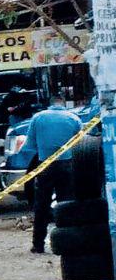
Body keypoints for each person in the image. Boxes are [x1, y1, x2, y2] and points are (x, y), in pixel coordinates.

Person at [24, 96, 83, 254]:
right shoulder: (74, 118)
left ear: (49, 105)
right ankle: (68, 242)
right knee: (67, 204)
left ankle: (38, 244)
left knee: (41, 205)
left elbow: (30, 145)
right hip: (67, 165)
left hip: (45, 165)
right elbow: (82, 144)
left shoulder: (38, 118)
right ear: (63, 104)